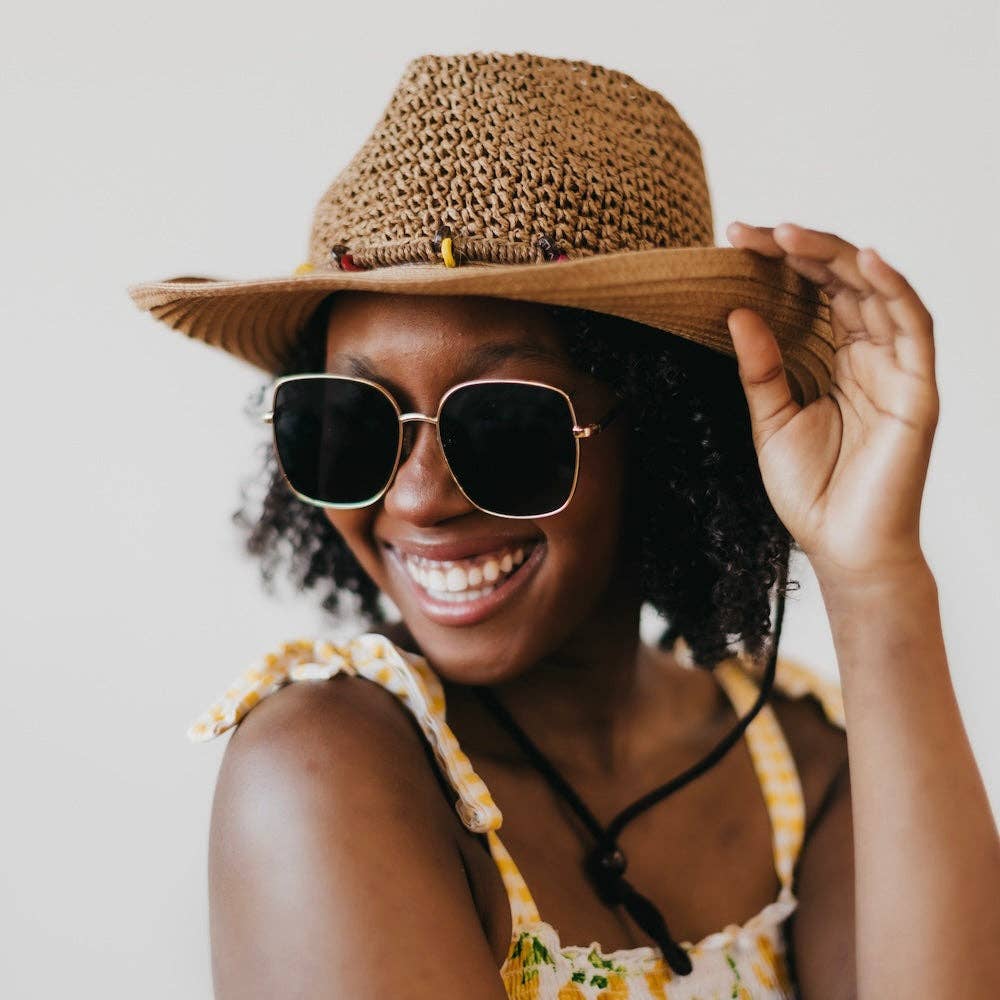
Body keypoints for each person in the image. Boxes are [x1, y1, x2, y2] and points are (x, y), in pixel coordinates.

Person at [128, 51, 999, 1000]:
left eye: (503, 426)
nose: (416, 498)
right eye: (349, 424)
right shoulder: (325, 768)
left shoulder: (798, 760)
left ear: (666, 437)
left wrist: (876, 577)